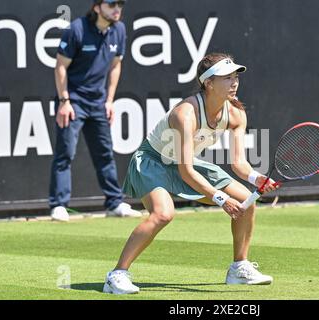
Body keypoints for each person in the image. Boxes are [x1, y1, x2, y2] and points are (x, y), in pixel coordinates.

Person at [103, 53, 279, 294]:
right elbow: (186, 172)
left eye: (235, 76)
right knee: (163, 214)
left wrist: (255, 177)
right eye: (227, 78)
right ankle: (117, 275)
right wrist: (220, 198)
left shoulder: (236, 115)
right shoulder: (184, 114)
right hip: (153, 161)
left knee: (246, 202)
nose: (234, 82)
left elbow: (239, 163)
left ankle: (239, 267)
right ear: (208, 82)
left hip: (186, 163)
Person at [49, 0, 139, 222]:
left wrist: (109, 100)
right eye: (111, 4)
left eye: (119, 4)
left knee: (105, 154)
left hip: (98, 102)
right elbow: (60, 66)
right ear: (97, 7)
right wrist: (64, 101)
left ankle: (114, 203)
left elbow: (116, 65)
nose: (117, 9)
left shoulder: (119, 30)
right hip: (73, 101)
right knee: (65, 153)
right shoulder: (76, 29)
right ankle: (59, 205)